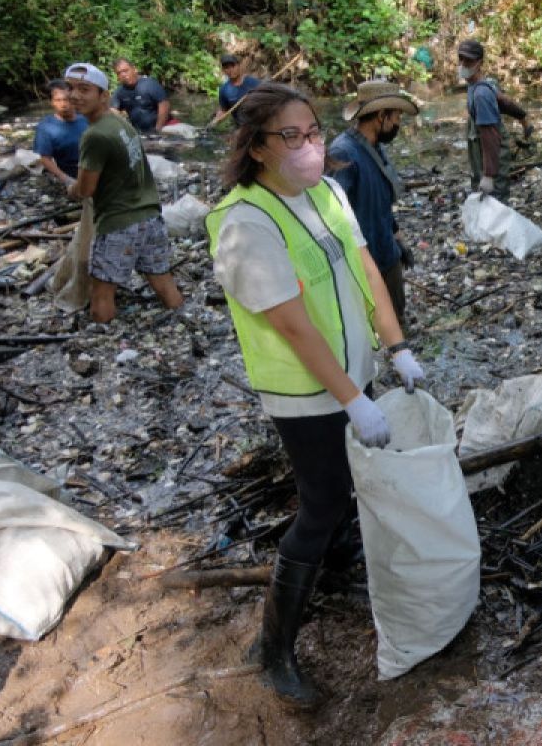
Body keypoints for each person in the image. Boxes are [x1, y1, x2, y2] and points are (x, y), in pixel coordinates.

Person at [205, 81, 426, 707]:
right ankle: (273, 650)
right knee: (321, 504)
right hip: (305, 393)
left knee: (348, 489)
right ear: (256, 148)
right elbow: (292, 322)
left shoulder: (326, 191)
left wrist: (396, 346)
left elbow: (365, 266)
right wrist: (352, 400)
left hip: (353, 374)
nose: (308, 146)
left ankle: (334, 575)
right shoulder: (243, 221)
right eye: (290, 136)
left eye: (313, 132)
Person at [63, 63, 183, 323]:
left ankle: (102, 345)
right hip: (150, 217)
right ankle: (186, 323)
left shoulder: (95, 135)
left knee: (102, 294)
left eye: (84, 89)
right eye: (70, 88)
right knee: (162, 281)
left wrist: (70, 188)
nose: (75, 95)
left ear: (103, 95)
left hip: (119, 224)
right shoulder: (119, 122)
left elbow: (85, 189)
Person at [330, 80, 419, 325]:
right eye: (397, 116)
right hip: (363, 262)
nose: (398, 123)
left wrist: (398, 237)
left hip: (386, 251)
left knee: (397, 322)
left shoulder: (375, 147)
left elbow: (380, 200)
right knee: (371, 327)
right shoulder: (344, 153)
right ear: (381, 116)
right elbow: (333, 214)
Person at [456, 39, 533, 201]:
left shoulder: (480, 95)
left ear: (479, 63)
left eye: (469, 60)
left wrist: (489, 175)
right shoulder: (481, 84)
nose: (463, 64)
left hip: (492, 151)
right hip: (485, 150)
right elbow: (503, 101)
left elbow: (489, 134)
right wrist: (523, 118)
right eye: (461, 59)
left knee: (495, 200)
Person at [33, 78, 88, 184]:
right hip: (72, 173)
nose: (64, 105)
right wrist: (65, 179)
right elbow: (45, 158)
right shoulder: (46, 127)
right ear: (51, 102)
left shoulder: (86, 117)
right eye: (58, 100)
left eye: (67, 99)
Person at [111, 58, 171, 133]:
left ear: (134, 69)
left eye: (125, 71)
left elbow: (164, 105)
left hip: (163, 127)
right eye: (119, 73)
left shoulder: (150, 84)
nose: (123, 75)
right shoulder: (119, 92)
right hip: (140, 133)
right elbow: (113, 110)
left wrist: (158, 130)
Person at [210, 54, 261, 127]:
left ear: (239, 66)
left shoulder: (254, 83)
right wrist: (217, 118)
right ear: (223, 70)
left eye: (233, 66)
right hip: (241, 127)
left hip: (258, 123)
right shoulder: (223, 90)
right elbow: (224, 110)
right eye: (226, 68)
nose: (230, 70)